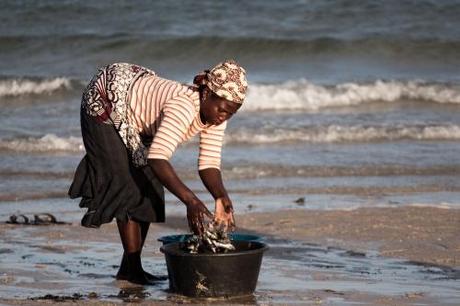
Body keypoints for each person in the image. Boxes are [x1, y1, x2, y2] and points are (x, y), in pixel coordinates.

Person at [68, 60, 248, 285]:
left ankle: (129, 269)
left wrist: (221, 197)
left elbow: (209, 163)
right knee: (128, 186)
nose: (223, 117)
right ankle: (131, 271)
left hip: (133, 102)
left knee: (150, 189)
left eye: (230, 114)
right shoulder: (183, 107)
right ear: (207, 94)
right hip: (106, 96)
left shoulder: (216, 116)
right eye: (222, 110)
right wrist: (190, 201)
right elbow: (158, 157)